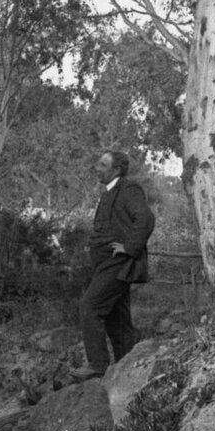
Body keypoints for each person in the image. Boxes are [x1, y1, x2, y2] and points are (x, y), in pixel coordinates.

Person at [75, 147, 155, 377]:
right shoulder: (109, 192)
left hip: (117, 264)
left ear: (117, 169)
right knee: (117, 320)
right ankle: (126, 369)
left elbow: (146, 218)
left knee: (90, 306)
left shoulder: (128, 189)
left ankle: (98, 365)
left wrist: (130, 247)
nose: (96, 169)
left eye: (102, 165)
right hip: (105, 265)